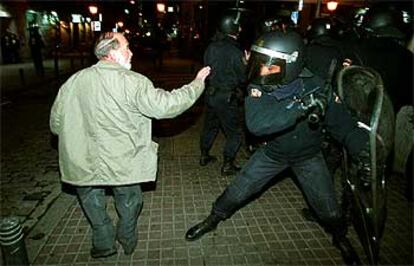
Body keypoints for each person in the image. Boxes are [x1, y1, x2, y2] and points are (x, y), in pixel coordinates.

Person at [185, 30, 372, 265]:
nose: (262, 71)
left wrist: (365, 153)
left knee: (329, 209)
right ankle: (213, 219)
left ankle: (340, 238)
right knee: (238, 190)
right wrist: (300, 108)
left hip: (308, 157)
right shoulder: (259, 87)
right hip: (273, 154)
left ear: (292, 64)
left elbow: (345, 128)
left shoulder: (317, 86)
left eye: (270, 67)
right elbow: (257, 125)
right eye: (260, 64)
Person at [50, 32, 210, 258]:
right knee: (130, 200)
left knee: (91, 202)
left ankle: (104, 242)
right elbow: (168, 106)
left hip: (81, 160)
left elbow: (56, 125)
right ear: (113, 53)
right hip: (123, 162)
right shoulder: (134, 82)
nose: (131, 51)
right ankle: (126, 237)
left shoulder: (72, 82)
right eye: (127, 46)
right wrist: (197, 83)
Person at [199, 12, 248, 176]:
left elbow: (206, 68)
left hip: (211, 94)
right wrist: (246, 64)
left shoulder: (211, 46)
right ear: (234, 28)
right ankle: (228, 164)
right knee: (234, 132)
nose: (241, 28)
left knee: (210, 126)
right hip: (226, 98)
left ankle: (204, 155)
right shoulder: (236, 51)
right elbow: (243, 77)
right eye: (239, 25)